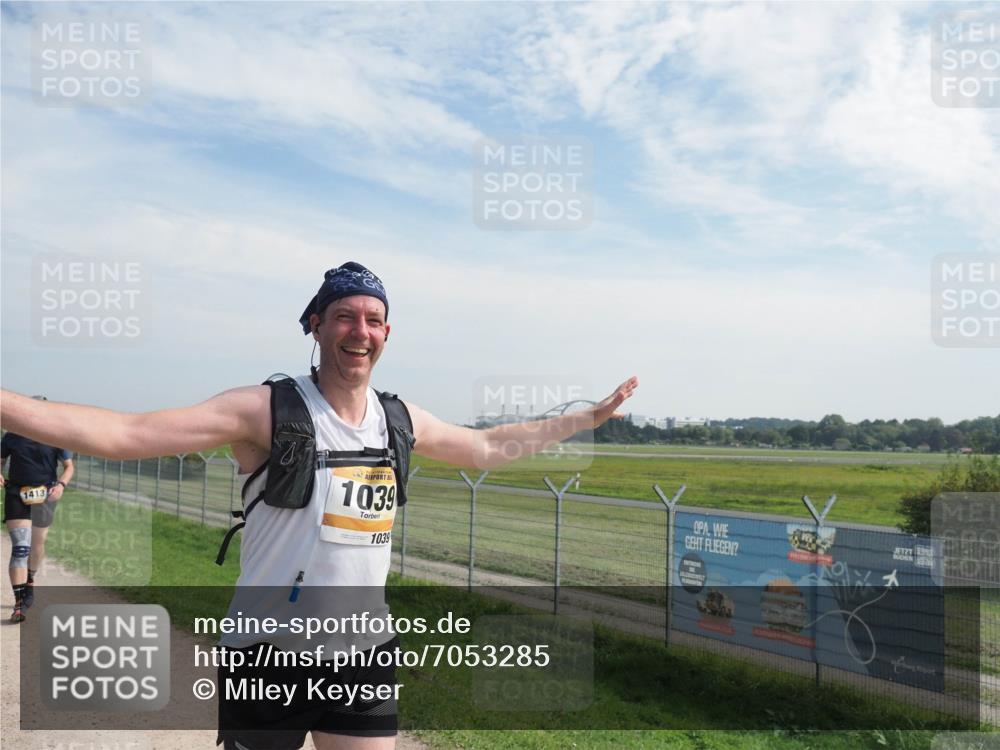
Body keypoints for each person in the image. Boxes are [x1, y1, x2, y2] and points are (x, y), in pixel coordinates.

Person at [0, 261, 638, 750]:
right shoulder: (264, 409)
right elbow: (127, 434)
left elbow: (489, 447)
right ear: (316, 324)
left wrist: (585, 418)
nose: (359, 330)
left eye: (372, 318)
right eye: (344, 316)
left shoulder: (398, 419)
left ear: (386, 332)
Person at [1, 397, 75, 623]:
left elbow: (69, 467)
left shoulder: (56, 435)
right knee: (21, 548)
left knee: (37, 545)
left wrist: (61, 485)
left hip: (45, 495)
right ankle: (19, 603)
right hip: (17, 493)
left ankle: (30, 579)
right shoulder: (12, 434)